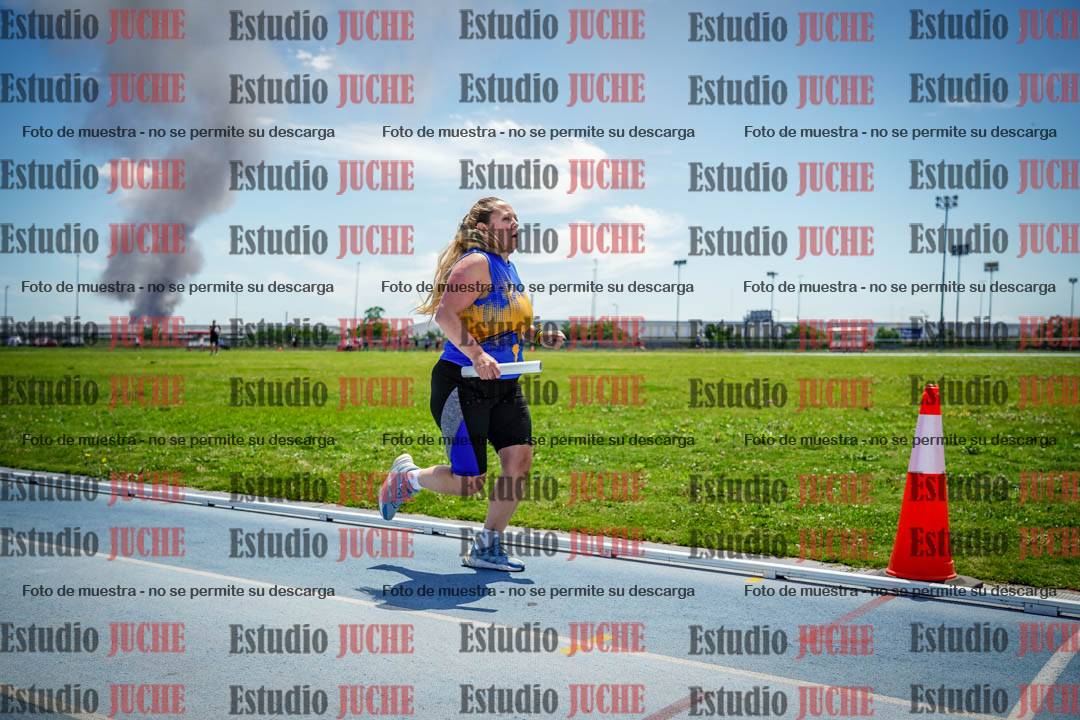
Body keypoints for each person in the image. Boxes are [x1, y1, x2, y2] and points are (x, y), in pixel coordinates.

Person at [378, 197, 564, 572]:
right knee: (469, 482)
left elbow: (512, 322)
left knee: (519, 462)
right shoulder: (476, 263)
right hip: (462, 385)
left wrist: (539, 334)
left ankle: (487, 546)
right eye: (507, 218)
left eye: (517, 217)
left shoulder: (508, 268)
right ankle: (408, 479)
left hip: (504, 384)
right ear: (483, 228)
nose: (516, 223)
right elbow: (446, 314)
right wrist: (478, 355)